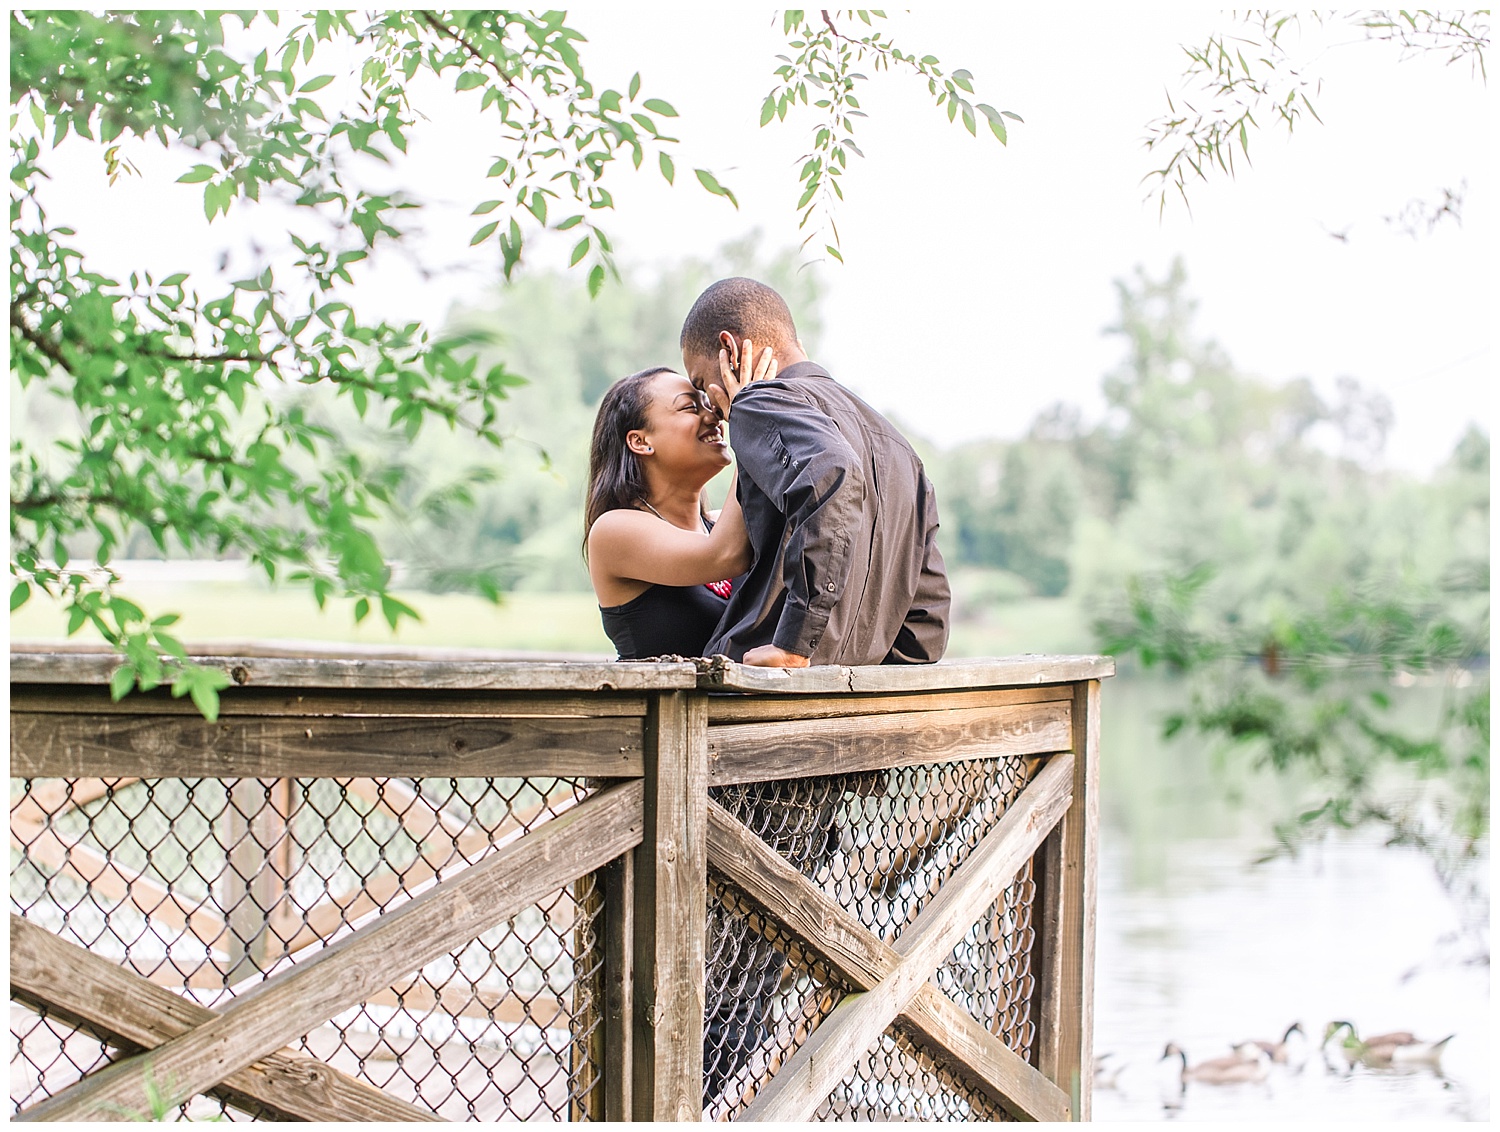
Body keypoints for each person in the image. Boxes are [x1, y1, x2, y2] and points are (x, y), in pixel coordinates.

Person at [679, 276, 951, 669]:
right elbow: (928, 621)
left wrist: (795, 642)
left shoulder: (758, 402)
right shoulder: (898, 446)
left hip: (752, 698)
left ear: (730, 350)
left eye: (703, 383)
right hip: (846, 711)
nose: (714, 408)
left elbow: (830, 474)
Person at [584, 357, 776, 660]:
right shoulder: (613, 531)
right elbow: (725, 554)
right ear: (640, 441)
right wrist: (751, 418)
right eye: (690, 407)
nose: (715, 416)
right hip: (660, 708)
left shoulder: (719, 526)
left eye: (709, 405)